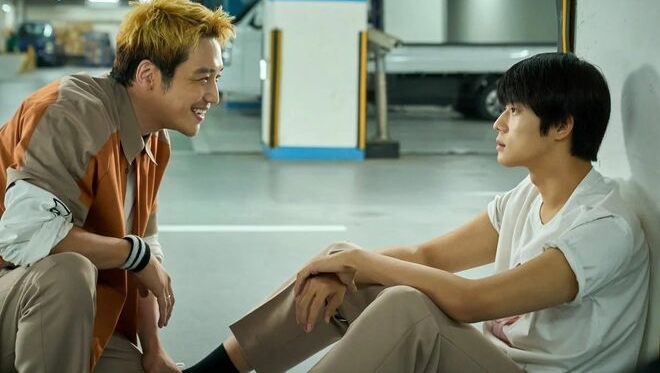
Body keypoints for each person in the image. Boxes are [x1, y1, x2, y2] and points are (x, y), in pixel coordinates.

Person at [185, 53, 650, 373]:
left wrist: (362, 261)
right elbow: (426, 256)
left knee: (406, 307)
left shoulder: (603, 226)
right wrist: (349, 264)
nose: (499, 122)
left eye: (514, 110)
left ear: (562, 125)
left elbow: (476, 301)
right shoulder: (527, 195)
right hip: (494, 360)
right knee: (352, 269)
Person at [0, 0, 234, 372]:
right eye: (202, 77)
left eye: (216, 78)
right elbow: (25, 236)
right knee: (67, 274)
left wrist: (154, 349)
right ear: (147, 76)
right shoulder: (69, 114)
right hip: (25, 293)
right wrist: (133, 255)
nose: (214, 95)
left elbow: (146, 247)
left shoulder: (155, 141)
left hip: (59, 311)